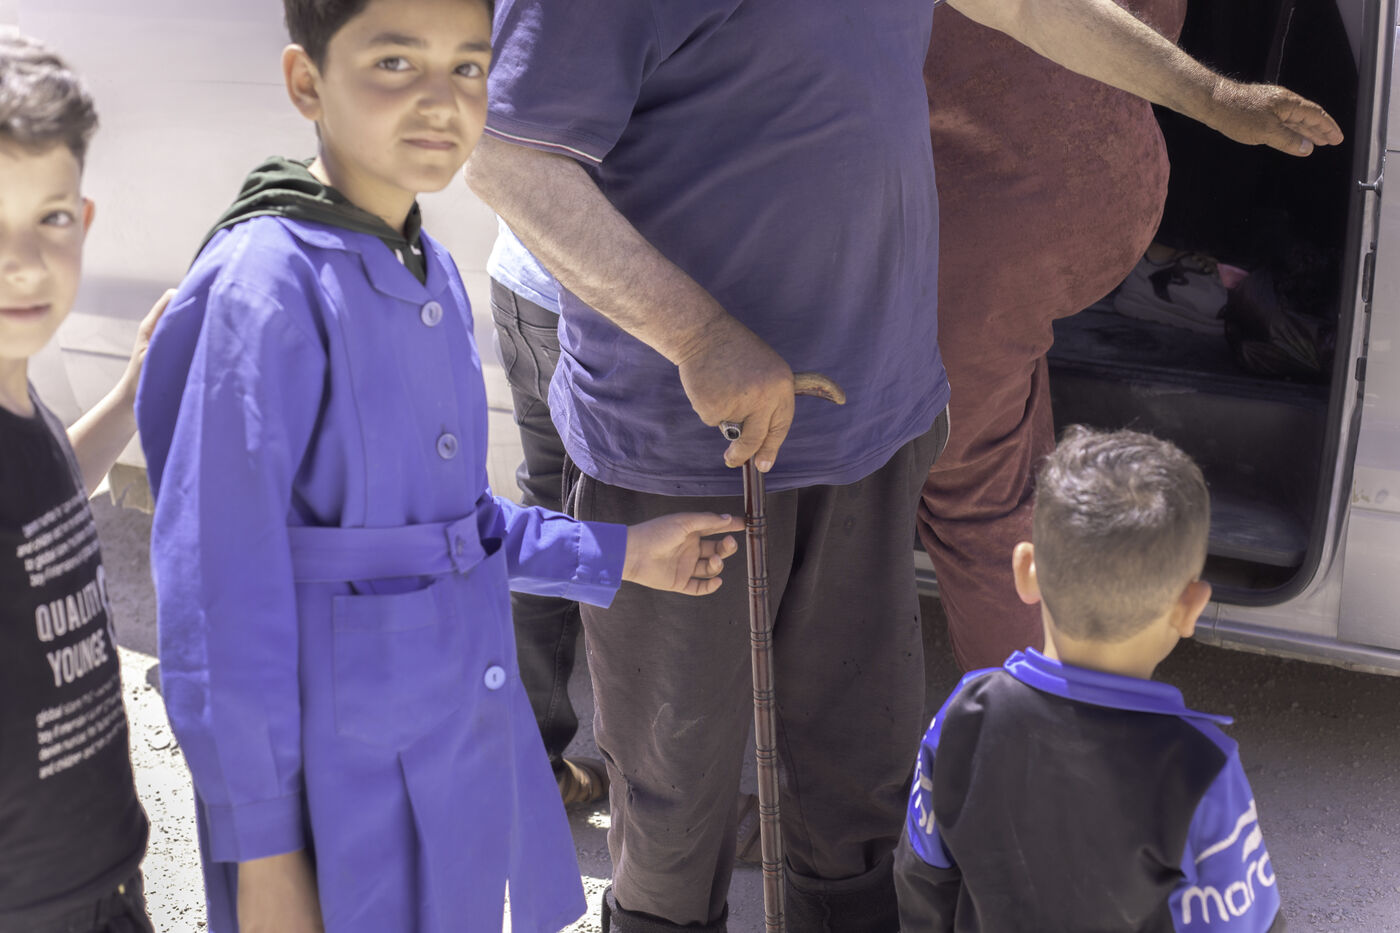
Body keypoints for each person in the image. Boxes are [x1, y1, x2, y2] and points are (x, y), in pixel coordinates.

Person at [465, 0, 1339, 928]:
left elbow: (1024, 6)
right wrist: (697, 333)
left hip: (874, 423)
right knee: (676, 804)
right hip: (686, 450)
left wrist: (1213, 98)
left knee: (856, 793)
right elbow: (506, 154)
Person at [134, 1, 743, 931]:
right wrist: (264, 852)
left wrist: (621, 554)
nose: (441, 99)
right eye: (395, 63)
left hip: (446, 770)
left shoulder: (432, 271)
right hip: (335, 809)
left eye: (468, 67)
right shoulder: (263, 289)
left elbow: (456, 528)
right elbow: (215, 596)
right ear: (306, 81)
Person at [894, 426, 1283, 932]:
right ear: (1191, 607)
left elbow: (923, 875)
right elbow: (1244, 922)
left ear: (1026, 571)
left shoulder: (963, 714)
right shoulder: (1202, 767)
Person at [916, 0, 1188, 671]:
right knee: (1007, 401)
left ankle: (1028, 720)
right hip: (1111, 175)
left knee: (977, 499)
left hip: (984, 210)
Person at [0, 31, 171, 933]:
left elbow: (49, 495)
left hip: (102, 872)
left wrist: (135, 392)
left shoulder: (18, 397)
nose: (25, 260)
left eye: (51, 218)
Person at [488, 225, 608, 807]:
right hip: (615, 303)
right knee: (659, 534)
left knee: (550, 511)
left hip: (526, 279)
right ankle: (665, 807)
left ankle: (532, 769)